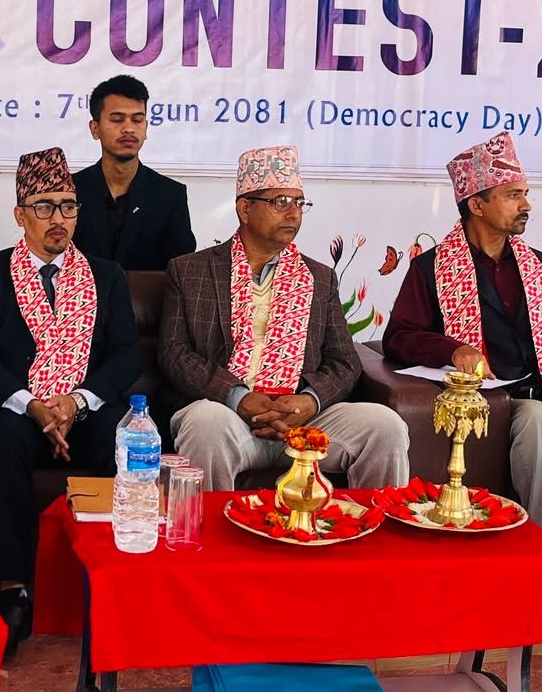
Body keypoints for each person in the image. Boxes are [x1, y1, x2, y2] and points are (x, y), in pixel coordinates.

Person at [384, 132, 542, 519]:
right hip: (500, 404)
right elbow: (399, 337)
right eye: (513, 195)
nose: (526, 205)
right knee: (537, 419)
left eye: (526, 194)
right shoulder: (431, 269)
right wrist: (453, 349)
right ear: (477, 205)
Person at [0, 147, 141, 659]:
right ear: (20, 215)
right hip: (20, 410)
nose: (58, 218)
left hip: (85, 409)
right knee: (0, 443)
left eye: (68, 206)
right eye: (44, 206)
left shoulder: (106, 274)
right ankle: (13, 592)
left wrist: (76, 402)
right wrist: (32, 404)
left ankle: (113, 587)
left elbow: (127, 355)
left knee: (122, 440)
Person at [161, 145, 410, 492]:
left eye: (299, 203)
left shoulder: (320, 277)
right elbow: (174, 354)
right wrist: (238, 397)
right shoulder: (190, 271)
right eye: (280, 202)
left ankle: (374, 527)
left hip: (305, 419)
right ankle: (212, 529)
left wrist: (309, 401)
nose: (293, 213)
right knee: (204, 423)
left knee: (385, 426)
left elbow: (344, 361)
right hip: (228, 416)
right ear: (245, 209)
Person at [71, 74, 196, 273]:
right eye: (117, 119)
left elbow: (181, 273)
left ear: (146, 127)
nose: (128, 128)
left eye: (137, 120)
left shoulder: (170, 195)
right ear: (95, 129)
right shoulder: (69, 191)